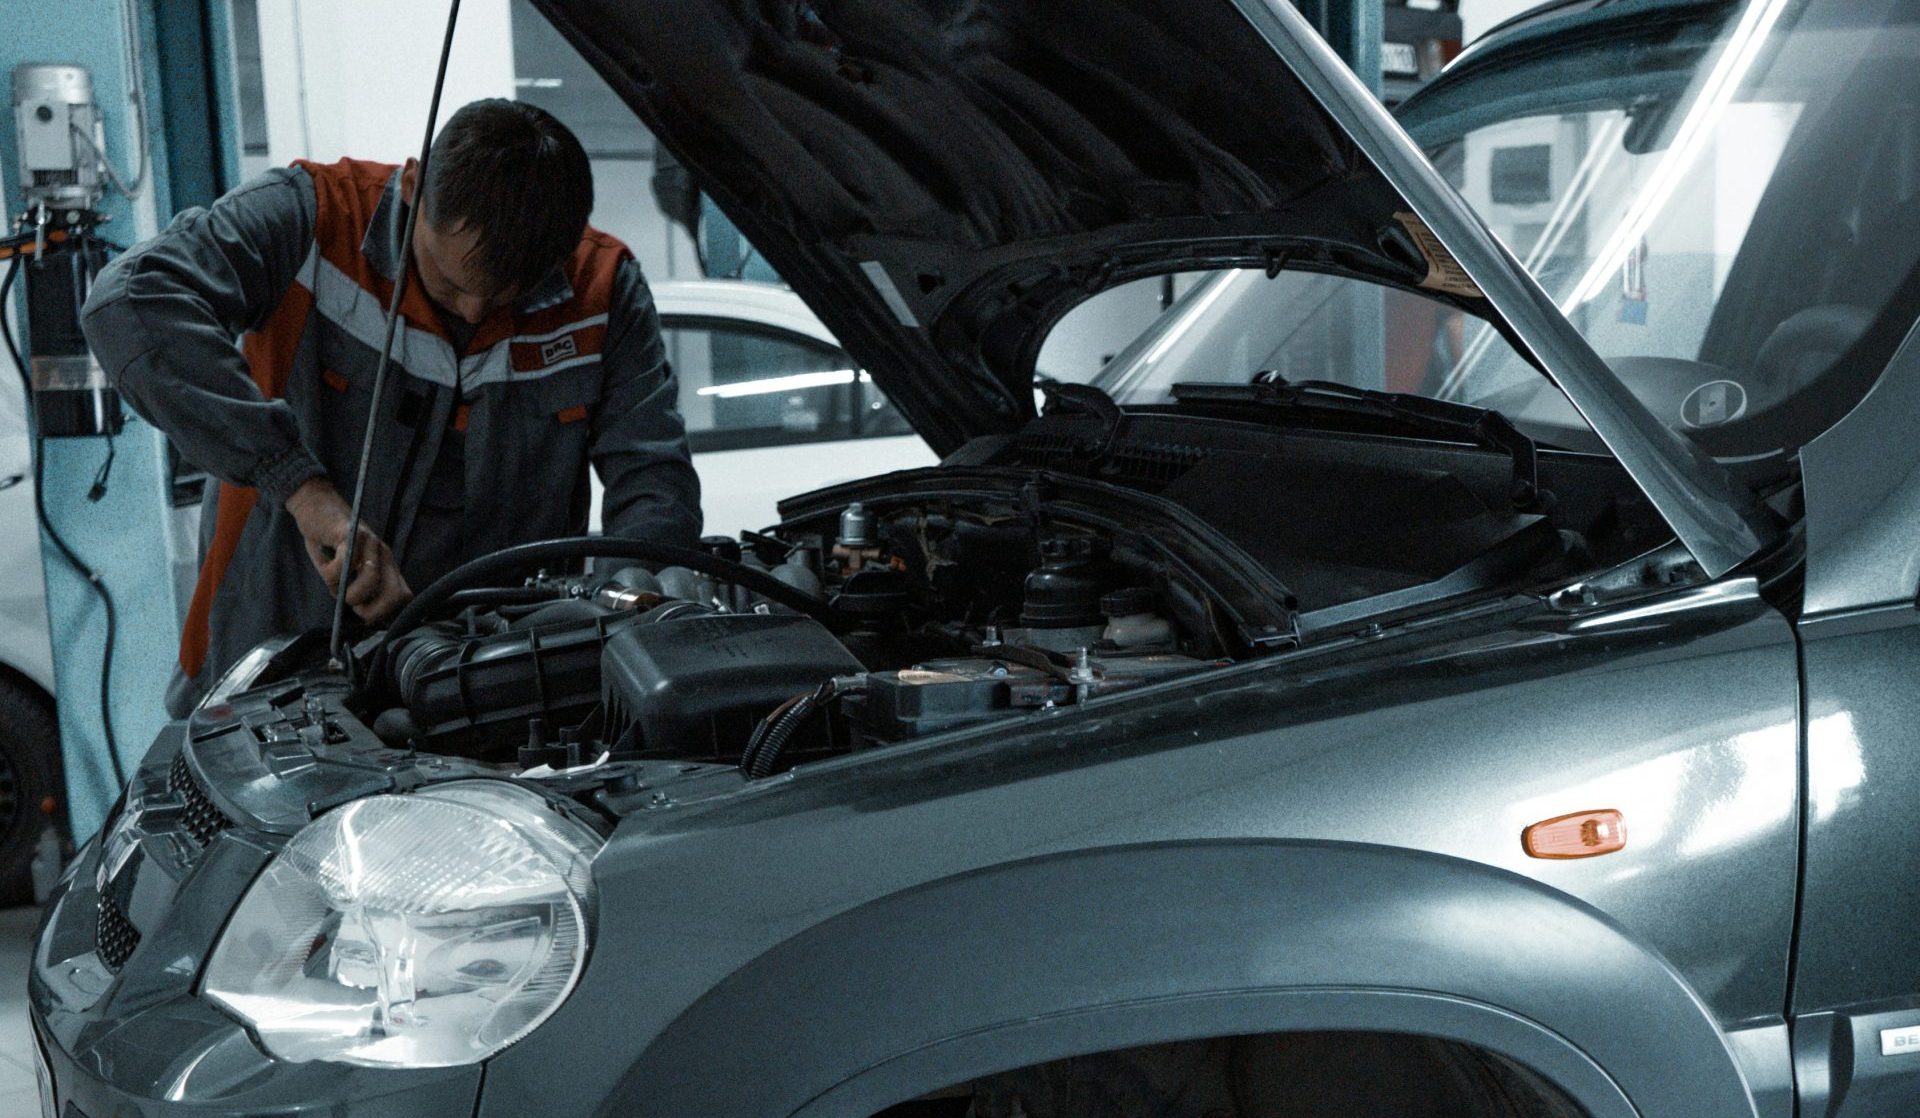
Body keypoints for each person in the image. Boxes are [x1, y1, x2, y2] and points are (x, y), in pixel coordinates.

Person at [81, 99, 702, 714]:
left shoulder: (602, 290)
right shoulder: (314, 220)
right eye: (452, 281)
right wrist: (298, 485)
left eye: (510, 295)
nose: (473, 314)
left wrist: (634, 601)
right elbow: (129, 302)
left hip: (495, 691)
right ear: (412, 188)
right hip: (267, 677)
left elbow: (652, 481)